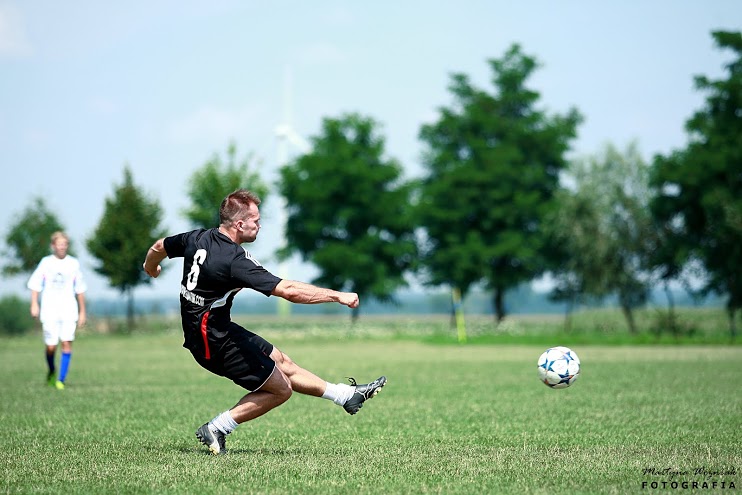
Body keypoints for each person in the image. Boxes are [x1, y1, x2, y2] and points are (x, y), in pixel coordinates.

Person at [142, 189, 386, 455]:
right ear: (239, 224)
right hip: (212, 341)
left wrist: (150, 267)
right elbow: (289, 291)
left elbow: (159, 247)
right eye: (256, 220)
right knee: (281, 390)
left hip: (214, 329)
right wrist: (337, 296)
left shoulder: (197, 237)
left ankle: (346, 396)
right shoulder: (235, 260)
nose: (260, 225)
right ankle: (217, 427)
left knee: (282, 361)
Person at [27, 231, 87, 390]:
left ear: (67, 246)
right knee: (51, 346)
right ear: (53, 245)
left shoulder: (73, 263)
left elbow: (80, 289)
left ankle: (61, 379)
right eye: (59, 244)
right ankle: (52, 370)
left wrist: (82, 312)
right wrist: (34, 303)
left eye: (64, 244)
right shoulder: (46, 263)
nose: (62, 247)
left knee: (66, 343)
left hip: (68, 309)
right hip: (50, 310)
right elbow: (35, 284)